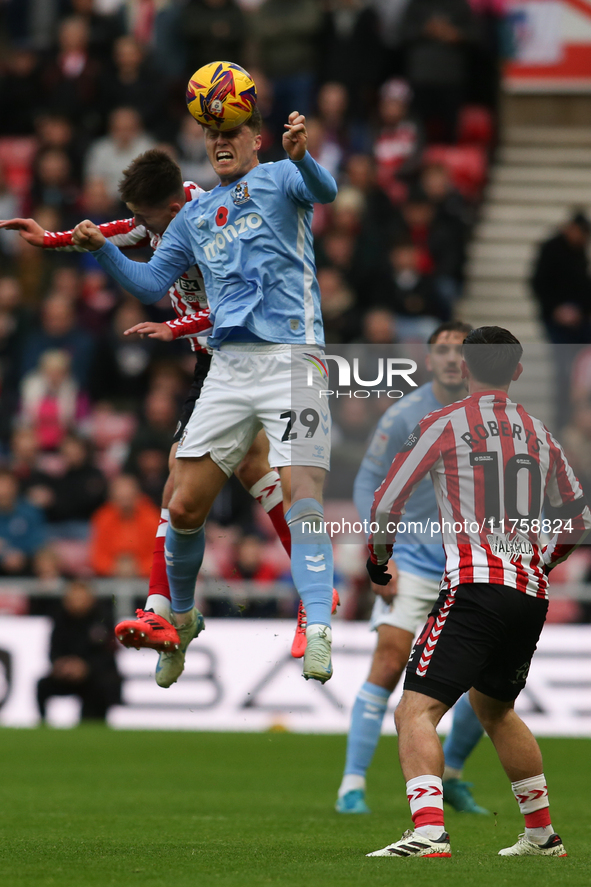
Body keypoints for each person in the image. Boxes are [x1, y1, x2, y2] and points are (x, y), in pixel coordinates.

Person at [0, 147, 310, 687]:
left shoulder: (216, 224)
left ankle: (166, 612)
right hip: (212, 363)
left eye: (146, 216)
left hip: (243, 358)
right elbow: (113, 230)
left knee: (179, 479)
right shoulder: (160, 220)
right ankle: (278, 598)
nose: (140, 226)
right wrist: (49, 239)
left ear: (171, 205)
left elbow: (241, 302)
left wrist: (177, 327)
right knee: (253, 472)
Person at [366, 325, 591, 858]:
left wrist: (378, 560)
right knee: (495, 710)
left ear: (464, 367)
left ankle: (427, 833)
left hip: (474, 584)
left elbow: (386, 502)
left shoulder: (442, 423)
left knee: (414, 711)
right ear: (516, 371)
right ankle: (540, 835)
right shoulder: (540, 433)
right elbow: (576, 520)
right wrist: (544, 560)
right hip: (530, 594)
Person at [336, 320, 488, 815]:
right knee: (387, 663)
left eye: (460, 350)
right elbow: (367, 485)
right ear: (428, 360)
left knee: (487, 681)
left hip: (471, 561)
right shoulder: (404, 415)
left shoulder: (492, 413)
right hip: (416, 560)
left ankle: (457, 775)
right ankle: (352, 785)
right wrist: (385, 552)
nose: (451, 358)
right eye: (442, 350)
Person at [37, 580, 121, 723]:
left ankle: (93, 722)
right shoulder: (60, 619)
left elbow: (109, 654)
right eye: (73, 599)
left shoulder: (103, 618)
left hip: (96, 674)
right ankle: (43, 724)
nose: (77, 603)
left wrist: (86, 667)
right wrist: (62, 664)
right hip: (68, 673)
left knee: (102, 685)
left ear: (91, 599)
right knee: (42, 684)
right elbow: (53, 650)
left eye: (81, 599)